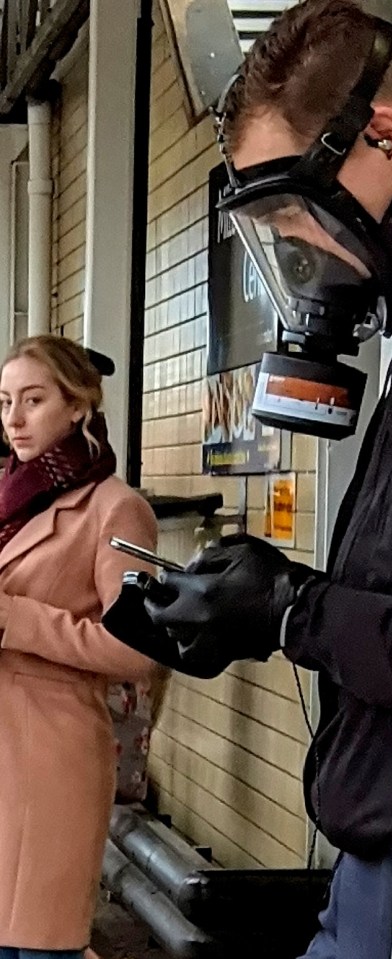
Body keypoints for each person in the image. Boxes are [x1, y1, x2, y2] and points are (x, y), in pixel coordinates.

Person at [104, 2, 392, 956]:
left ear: (385, 139)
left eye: (290, 209)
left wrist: (294, 610)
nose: (289, 249)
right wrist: (266, 604)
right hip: (374, 843)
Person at [0, 335, 157, 959]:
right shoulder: (10, 499)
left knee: (39, 945)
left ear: (78, 406)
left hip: (51, 753)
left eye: (33, 400)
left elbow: (136, 650)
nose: (13, 419)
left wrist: (17, 620)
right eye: (6, 400)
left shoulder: (117, 510)